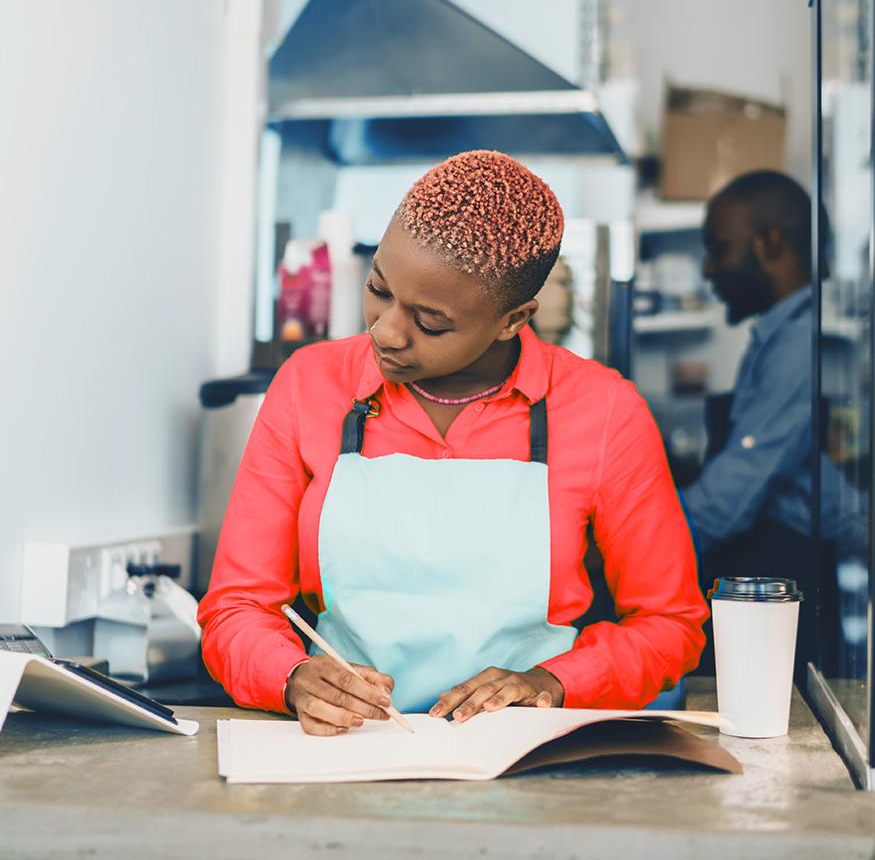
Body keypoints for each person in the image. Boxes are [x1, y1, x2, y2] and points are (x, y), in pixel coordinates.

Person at [198, 150, 707, 736]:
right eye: (378, 289)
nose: (385, 331)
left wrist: (552, 684)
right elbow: (234, 610)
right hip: (346, 753)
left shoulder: (605, 412)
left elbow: (670, 625)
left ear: (514, 319)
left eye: (429, 322)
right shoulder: (308, 387)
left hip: (522, 762)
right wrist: (292, 677)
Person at [681, 169, 862, 681]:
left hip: (781, 575)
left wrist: (646, 543)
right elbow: (808, 474)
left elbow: (740, 481)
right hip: (778, 562)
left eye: (720, 248)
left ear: (770, 243)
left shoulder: (802, 341)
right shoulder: (780, 336)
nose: (710, 268)